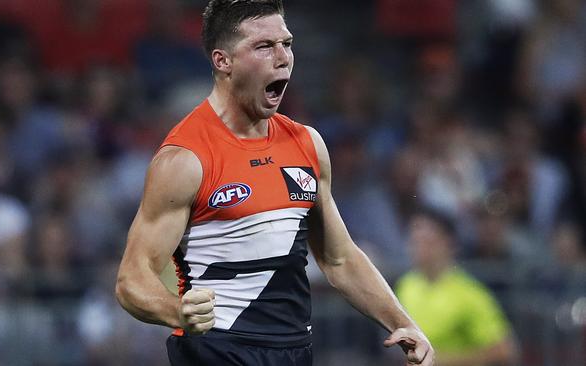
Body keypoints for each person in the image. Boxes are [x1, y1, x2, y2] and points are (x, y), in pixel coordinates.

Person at [115, 1, 434, 365]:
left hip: (294, 352)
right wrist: (176, 311)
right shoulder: (185, 160)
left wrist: (405, 323)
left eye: (287, 43)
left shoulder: (308, 145)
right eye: (264, 46)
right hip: (217, 350)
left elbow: (340, 258)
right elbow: (131, 280)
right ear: (223, 61)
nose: (282, 58)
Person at [396, 207, 517, 366]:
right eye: (414, 241)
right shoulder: (405, 285)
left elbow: (505, 351)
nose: (418, 248)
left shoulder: (470, 293)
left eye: (427, 241)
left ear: (448, 243)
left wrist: (441, 360)